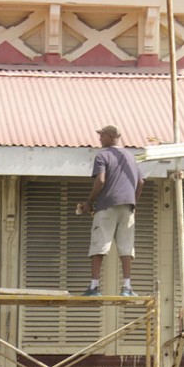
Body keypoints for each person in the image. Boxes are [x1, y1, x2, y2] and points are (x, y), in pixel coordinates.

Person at [79, 125, 145, 297]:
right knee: (126, 247)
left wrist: (89, 202)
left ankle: (94, 287)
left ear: (109, 136)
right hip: (128, 208)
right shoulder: (132, 157)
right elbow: (141, 182)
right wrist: (134, 203)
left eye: (101, 136)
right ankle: (127, 287)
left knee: (99, 245)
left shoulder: (103, 156)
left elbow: (100, 181)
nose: (99, 139)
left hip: (106, 206)